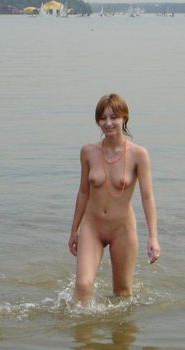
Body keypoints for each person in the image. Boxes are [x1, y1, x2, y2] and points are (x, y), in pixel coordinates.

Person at [68, 94, 160, 302]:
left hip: (122, 229)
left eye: (113, 117)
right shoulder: (88, 152)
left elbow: (147, 197)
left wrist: (153, 237)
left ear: (124, 118)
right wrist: (74, 231)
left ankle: (119, 324)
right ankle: (80, 324)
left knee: (123, 293)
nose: (108, 123)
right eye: (102, 118)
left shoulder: (139, 154)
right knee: (83, 285)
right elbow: (83, 192)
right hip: (92, 226)